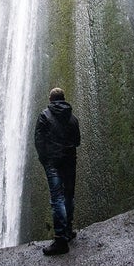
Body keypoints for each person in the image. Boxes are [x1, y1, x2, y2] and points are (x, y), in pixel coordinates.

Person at [34, 87, 81, 256]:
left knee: (57, 198)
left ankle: (60, 240)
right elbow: (77, 140)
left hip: (53, 162)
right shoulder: (72, 118)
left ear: (50, 99)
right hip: (69, 161)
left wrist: (44, 158)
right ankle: (68, 231)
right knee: (69, 195)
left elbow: (38, 140)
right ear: (63, 98)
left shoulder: (44, 115)